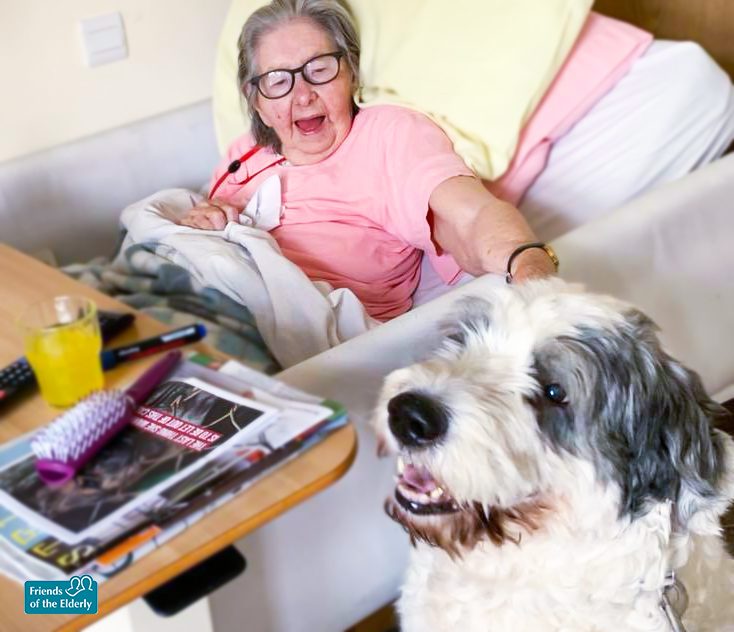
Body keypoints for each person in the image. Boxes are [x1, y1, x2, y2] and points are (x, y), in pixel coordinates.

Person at [180, 0, 556, 321]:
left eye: (320, 68)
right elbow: (196, 234)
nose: (303, 94)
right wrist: (203, 221)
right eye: (278, 80)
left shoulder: (389, 136)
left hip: (288, 330)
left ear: (351, 73)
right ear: (256, 100)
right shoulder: (242, 152)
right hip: (194, 296)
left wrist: (527, 263)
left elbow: (469, 216)